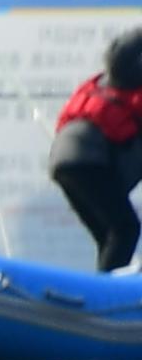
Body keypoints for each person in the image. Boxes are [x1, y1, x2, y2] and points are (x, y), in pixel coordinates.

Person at [47, 26, 142, 272]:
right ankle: (108, 298)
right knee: (124, 229)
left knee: (110, 235)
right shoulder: (127, 85)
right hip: (90, 159)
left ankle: (101, 290)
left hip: (63, 155)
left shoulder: (112, 85)